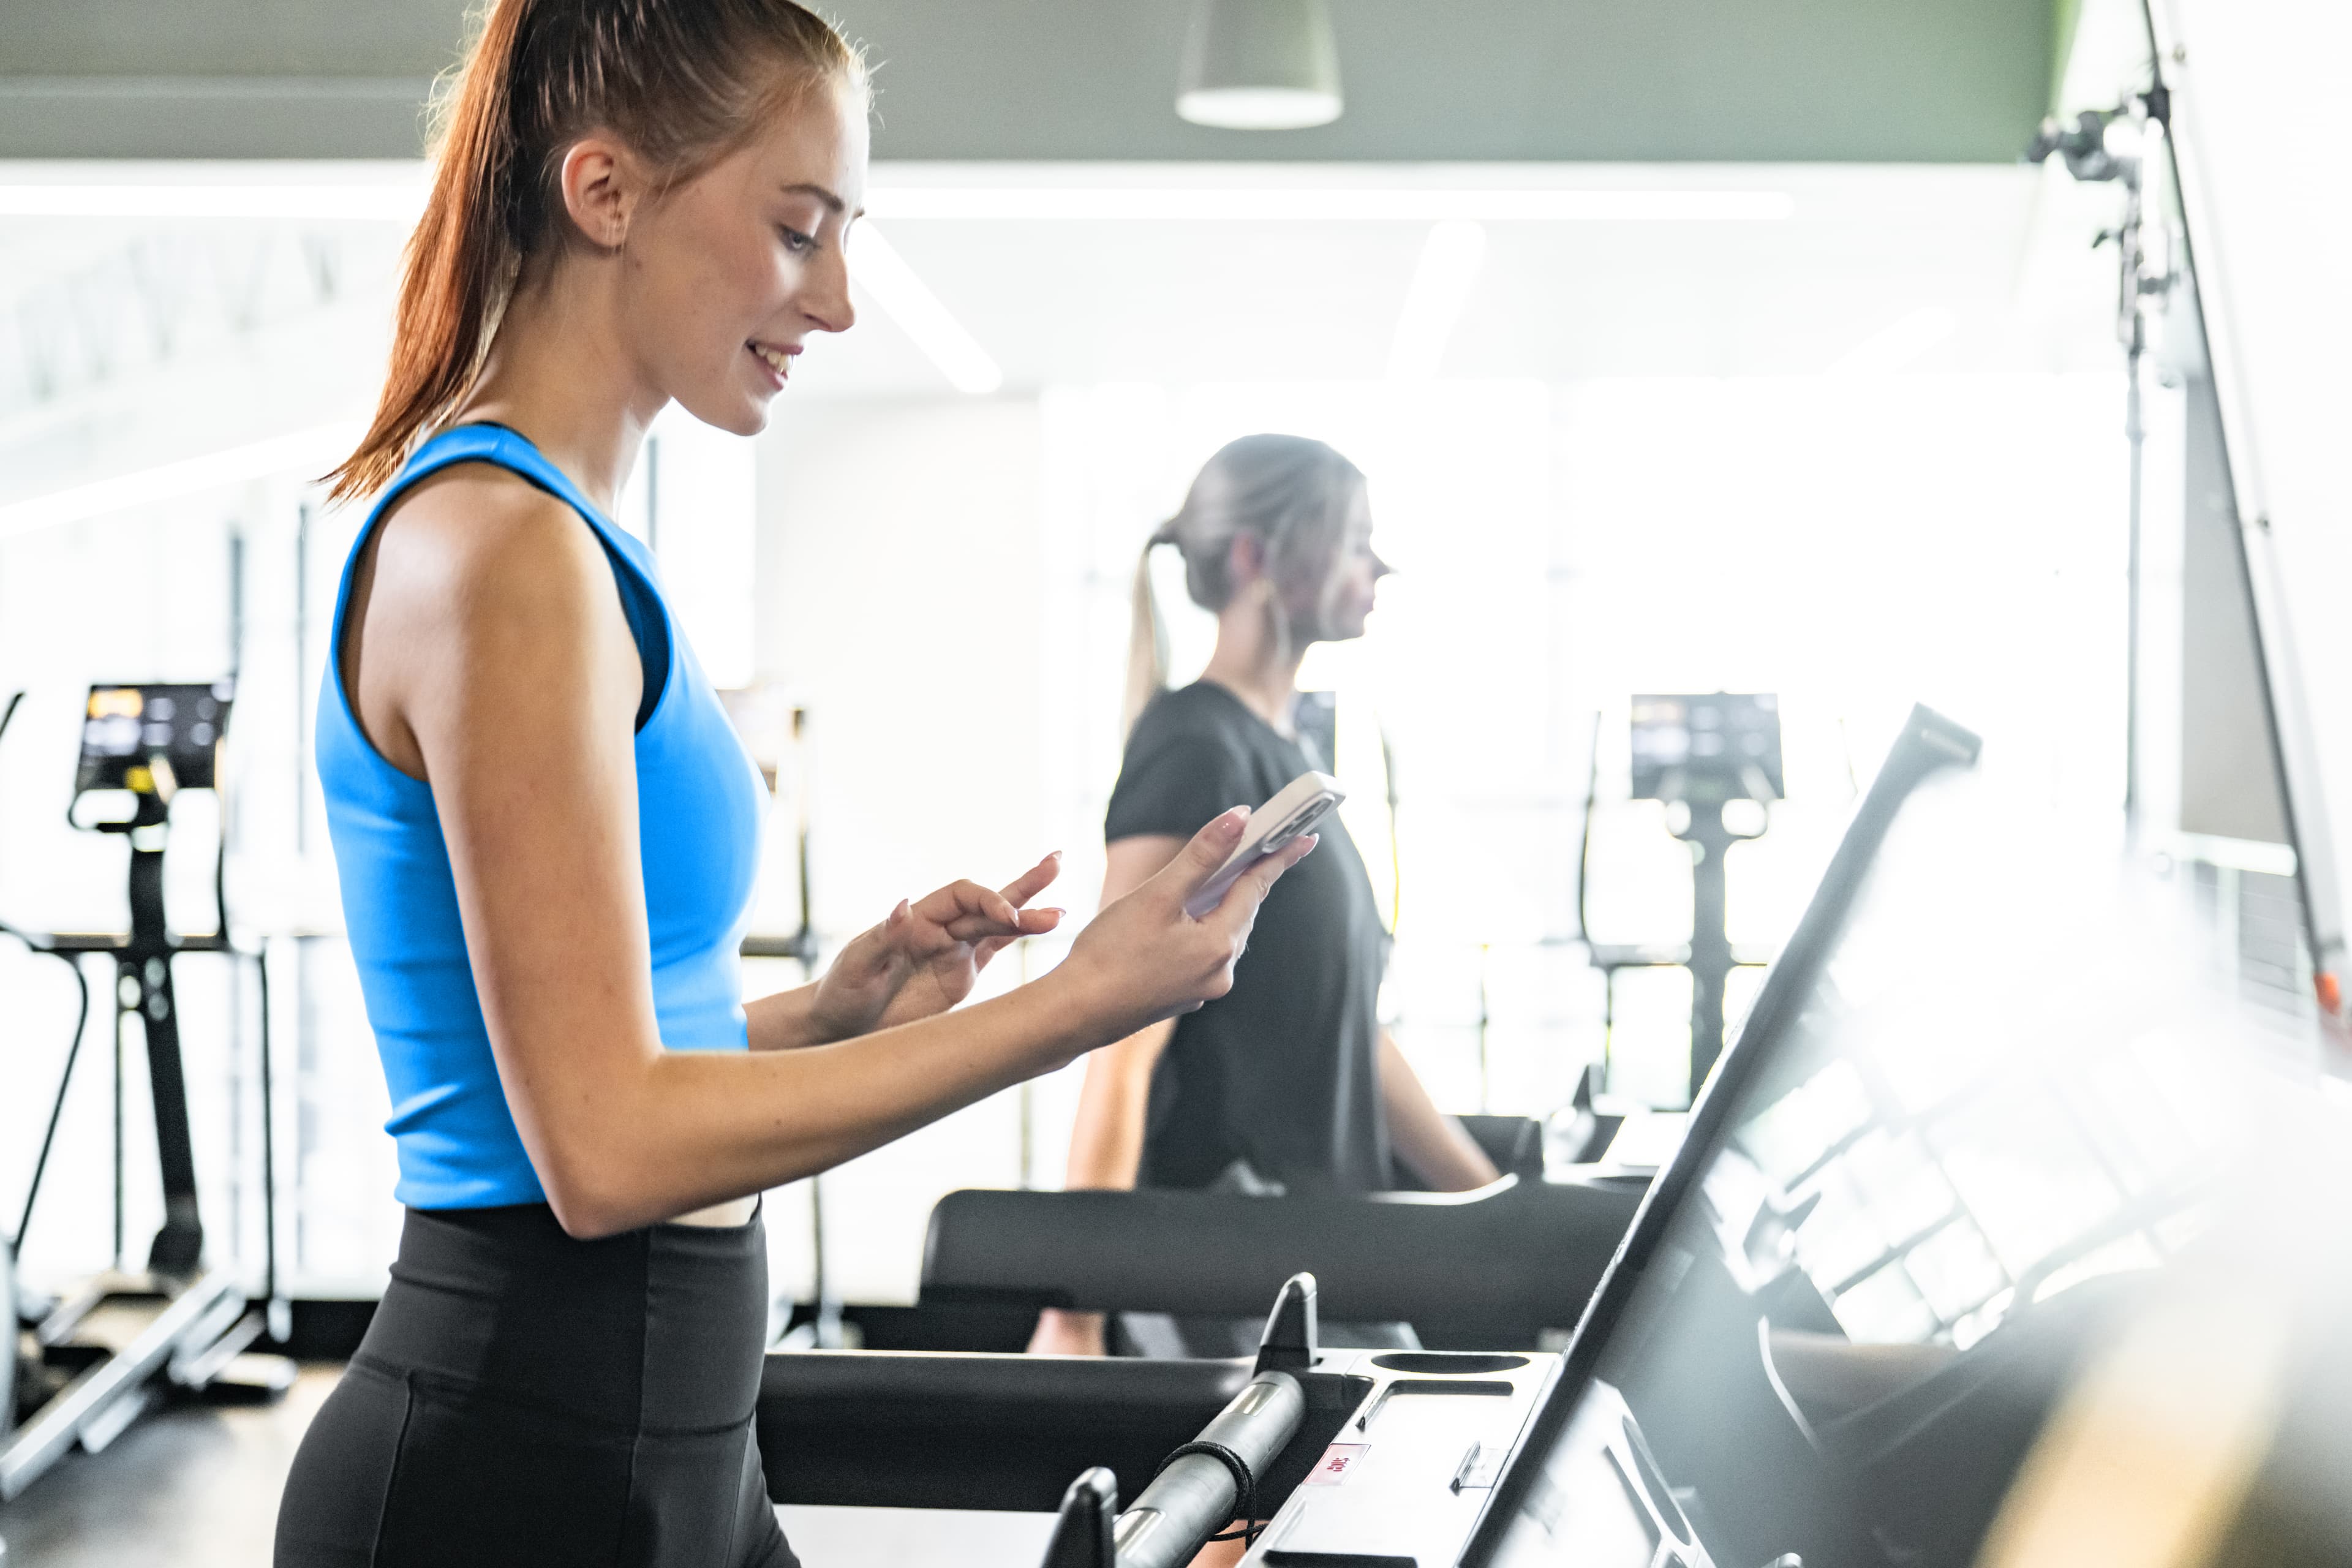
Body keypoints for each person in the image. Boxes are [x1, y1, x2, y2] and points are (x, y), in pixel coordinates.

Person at [270, 5, 1313, 1565]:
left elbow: (586, 1060)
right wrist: (1077, 1003)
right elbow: (602, 1149)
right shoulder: (503, 553)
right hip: (510, 1467)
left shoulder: (571, 545)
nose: (834, 299)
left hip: (672, 1438)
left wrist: (829, 1013)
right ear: (605, 192)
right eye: (797, 228)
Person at [1028, 435, 1501, 1359]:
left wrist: (1495, 1208)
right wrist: (1073, 1309)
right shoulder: (1194, 748)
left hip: (1321, 1236)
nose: (1380, 566)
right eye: (1353, 541)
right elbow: (1118, 1030)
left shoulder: (1285, 752)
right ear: (1255, 557)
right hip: (1232, 1248)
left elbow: (1344, 1030)